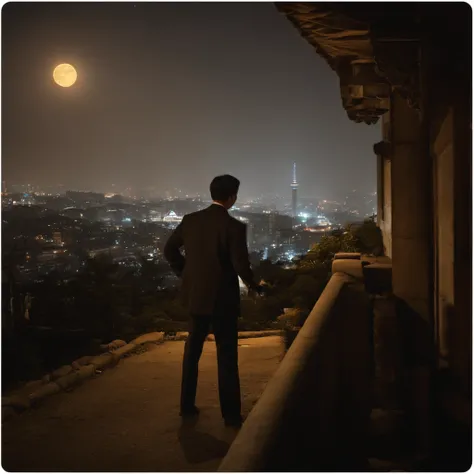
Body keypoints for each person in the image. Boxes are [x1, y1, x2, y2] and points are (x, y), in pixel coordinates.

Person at [164, 174, 261, 427]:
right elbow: (241, 264)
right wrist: (254, 284)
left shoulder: (190, 220)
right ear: (232, 197)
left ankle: (186, 406)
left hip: (196, 295)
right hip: (223, 299)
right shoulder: (234, 227)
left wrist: (185, 273)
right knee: (226, 356)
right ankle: (230, 415)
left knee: (192, 351)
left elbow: (169, 249)